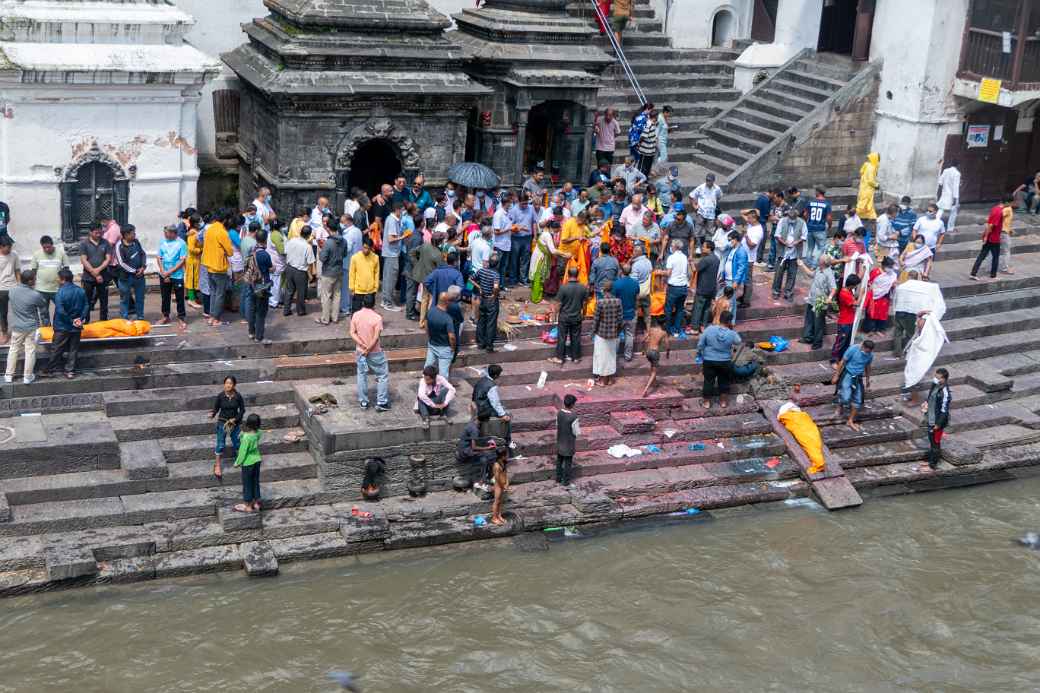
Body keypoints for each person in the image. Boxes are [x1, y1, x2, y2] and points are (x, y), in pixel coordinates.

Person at [42, 268, 88, 380]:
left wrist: (71, 321)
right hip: (76, 326)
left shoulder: (60, 293)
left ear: (62, 279)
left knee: (56, 348)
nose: (57, 280)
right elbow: (86, 305)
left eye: (58, 278)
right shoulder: (80, 290)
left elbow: (61, 311)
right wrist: (80, 319)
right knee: (73, 349)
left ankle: (49, 369)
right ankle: (70, 371)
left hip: (62, 326)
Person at [4, 270, 48, 384]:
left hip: (17, 327)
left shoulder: (12, 291)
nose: (35, 280)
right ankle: (27, 377)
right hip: (31, 327)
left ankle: (9, 375)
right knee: (30, 351)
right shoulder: (35, 294)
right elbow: (43, 306)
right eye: (34, 278)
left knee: (13, 349)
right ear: (29, 281)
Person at [350, 293, 390, 412]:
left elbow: (352, 332)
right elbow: (376, 337)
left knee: (362, 375)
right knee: (382, 375)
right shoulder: (377, 318)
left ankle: (363, 401)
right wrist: (368, 348)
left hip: (360, 351)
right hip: (375, 352)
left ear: (363, 303)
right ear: (374, 304)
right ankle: (381, 402)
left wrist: (362, 346)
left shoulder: (356, 315)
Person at [697, 310, 741, 410]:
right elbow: (738, 341)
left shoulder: (709, 329)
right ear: (730, 321)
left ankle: (707, 402)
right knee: (724, 381)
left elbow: (700, 344)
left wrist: (699, 353)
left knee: (708, 381)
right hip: (725, 361)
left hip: (709, 360)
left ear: (719, 318)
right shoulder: (732, 333)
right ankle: (723, 402)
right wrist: (731, 329)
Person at [832, 339, 874, 431]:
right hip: (848, 374)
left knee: (858, 400)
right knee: (846, 397)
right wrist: (836, 375)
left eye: (868, 352)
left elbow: (868, 367)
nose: (866, 353)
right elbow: (843, 361)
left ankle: (850, 421)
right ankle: (840, 405)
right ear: (862, 346)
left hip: (858, 377)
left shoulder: (870, 355)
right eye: (865, 351)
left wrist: (867, 380)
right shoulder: (853, 349)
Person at [472, 364, 513, 455]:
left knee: (503, 410)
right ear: (495, 375)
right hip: (485, 409)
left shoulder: (481, 380)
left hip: (478, 404)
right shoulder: (492, 386)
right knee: (508, 415)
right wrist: (503, 415)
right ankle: (508, 441)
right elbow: (495, 403)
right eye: (499, 374)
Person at [210, 375, 245, 479]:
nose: (228, 385)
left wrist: (235, 419)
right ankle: (217, 465)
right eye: (226, 383)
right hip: (223, 422)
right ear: (224, 384)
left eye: (230, 383)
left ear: (234, 385)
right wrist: (212, 414)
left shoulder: (238, 396)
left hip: (235, 423)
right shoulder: (220, 396)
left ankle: (239, 460)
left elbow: (242, 410)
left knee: (237, 442)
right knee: (220, 444)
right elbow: (216, 409)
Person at [799, 254, 836, 350]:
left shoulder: (829, 273)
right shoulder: (819, 269)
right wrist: (802, 265)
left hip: (820, 302)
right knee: (809, 319)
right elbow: (810, 274)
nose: (818, 260)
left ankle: (817, 342)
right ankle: (808, 337)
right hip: (812, 299)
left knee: (818, 323)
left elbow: (833, 288)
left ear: (823, 262)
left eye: (819, 259)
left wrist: (830, 298)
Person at [201, 214, 234, 325]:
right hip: (219, 267)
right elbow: (230, 252)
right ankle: (215, 319)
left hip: (209, 265)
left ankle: (211, 317)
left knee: (214, 293)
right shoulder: (222, 232)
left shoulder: (209, 229)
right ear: (225, 220)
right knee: (220, 294)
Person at [551, 266, 587, 365]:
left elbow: (558, 304)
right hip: (576, 317)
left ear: (569, 275)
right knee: (575, 337)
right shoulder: (583, 288)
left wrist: (554, 315)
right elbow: (584, 303)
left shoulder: (563, 287)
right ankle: (575, 358)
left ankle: (559, 358)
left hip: (564, 317)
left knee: (562, 337)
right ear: (577, 275)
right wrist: (583, 314)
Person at [592, 279, 622, 386]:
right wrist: (618, 331)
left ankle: (603, 381)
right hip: (613, 334)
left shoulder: (600, 302)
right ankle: (609, 380)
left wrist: (592, 332)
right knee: (611, 356)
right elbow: (620, 319)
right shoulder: (618, 301)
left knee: (602, 357)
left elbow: (596, 320)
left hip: (602, 334)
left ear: (603, 289)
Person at [79, 221, 111, 323]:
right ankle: (86, 321)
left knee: (104, 300)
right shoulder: (84, 244)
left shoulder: (105, 243)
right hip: (88, 277)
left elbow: (108, 259)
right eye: (96, 233)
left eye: (100, 232)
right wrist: (94, 272)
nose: (98, 235)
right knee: (87, 301)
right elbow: (84, 260)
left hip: (103, 276)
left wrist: (98, 270)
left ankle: (103, 321)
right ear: (90, 232)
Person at [157, 224, 188, 326]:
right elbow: (159, 257)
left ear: (173, 233)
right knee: (165, 296)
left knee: (179, 297)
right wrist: (163, 272)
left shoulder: (181, 243)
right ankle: (165, 316)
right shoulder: (162, 242)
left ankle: (181, 317)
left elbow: (182, 261)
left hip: (177, 275)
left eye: (166, 233)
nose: (165, 235)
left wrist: (169, 272)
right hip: (164, 274)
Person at [245, 229, 273, 342]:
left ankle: (251, 332)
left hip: (252, 283)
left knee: (252, 309)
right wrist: (273, 268)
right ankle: (259, 336)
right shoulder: (265, 255)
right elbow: (270, 268)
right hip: (262, 286)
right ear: (266, 240)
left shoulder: (252, 251)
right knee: (261, 311)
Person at [771, 206, 805, 302]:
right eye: (790, 219)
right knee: (778, 273)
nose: (792, 221)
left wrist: (796, 242)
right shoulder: (782, 221)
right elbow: (777, 235)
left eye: (794, 219)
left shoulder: (802, 223)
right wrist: (785, 242)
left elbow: (804, 237)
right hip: (783, 252)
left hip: (794, 253)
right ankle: (776, 291)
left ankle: (788, 292)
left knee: (792, 274)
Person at [970, 197, 1007, 281]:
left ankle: (973, 273)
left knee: (982, 256)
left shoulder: (995, 208)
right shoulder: (999, 212)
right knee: (995, 257)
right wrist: (986, 236)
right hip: (993, 238)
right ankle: (993, 275)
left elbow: (989, 222)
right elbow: (991, 225)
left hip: (990, 237)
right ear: (1008, 203)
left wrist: (985, 235)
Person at [114, 225, 147, 321]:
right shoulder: (119, 246)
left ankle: (140, 316)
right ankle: (124, 318)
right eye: (133, 233)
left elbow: (142, 254)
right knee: (125, 299)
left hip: (139, 276)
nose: (135, 235)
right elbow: (121, 263)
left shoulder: (136, 242)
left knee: (140, 297)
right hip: (125, 277)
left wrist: (143, 267)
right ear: (126, 235)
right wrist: (135, 271)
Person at [233, 413, 263, 513]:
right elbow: (256, 432)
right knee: (255, 481)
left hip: (248, 463)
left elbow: (243, 452)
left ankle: (248, 506)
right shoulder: (258, 433)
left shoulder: (246, 438)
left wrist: (237, 462)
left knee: (247, 484)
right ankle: (256, 503)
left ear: (248, 424)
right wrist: (243, 434)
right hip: (257, 460)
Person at [922, 368, 951, 470]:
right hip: (930, 417)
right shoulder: (935, 385)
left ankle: (933, 465)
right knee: (931, 440)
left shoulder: (945, 393)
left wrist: (938, 424)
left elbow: (944, 411)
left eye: (938, 378)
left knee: (936, 442)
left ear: (944, 379)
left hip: (938, 422)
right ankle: (931, 460)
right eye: (935, 377)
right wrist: (926, 403)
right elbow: (930, 395)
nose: (935, 379)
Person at [317, 222, 345, 325]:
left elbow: (322, 258)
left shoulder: (328, 242)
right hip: (339, 271)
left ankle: (325, 318)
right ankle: (335, 317)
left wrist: (320, 250)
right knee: (337, 295)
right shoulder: (344, 241)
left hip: (328, 272)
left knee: (326, 296)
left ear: (329, 229)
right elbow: (345, 254)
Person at [284, 226, 315, 317]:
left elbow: (286, 252)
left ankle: (286, 310)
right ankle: (300, 311)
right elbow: (310, 262)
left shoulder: (291, 241)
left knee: (289, 290)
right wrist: (310, 275)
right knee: (301, 292)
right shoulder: (307, 246)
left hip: (289, 268)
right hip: (300, 271)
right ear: (309, 235)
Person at [31, 235, 67, 312]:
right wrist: (32, 285)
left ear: (52, 244)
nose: (47, 249)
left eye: (48, 247)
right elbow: (33, 271)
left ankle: (59, 324)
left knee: (62, 310)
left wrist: (65, 283)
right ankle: (46, 324)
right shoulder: (36, 254)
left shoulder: (61, 253)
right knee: (44, 313)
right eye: (44, 248)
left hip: (57, 289)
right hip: (41, 289)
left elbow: (66, 269)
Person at [425, 291, 456, 379]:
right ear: (447, 302)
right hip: (444, 348)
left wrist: (430, 337)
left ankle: (425, 387)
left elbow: (426, 326)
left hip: (432, 344)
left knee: (428, 368)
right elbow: (452, 337)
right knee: (443, 375)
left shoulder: (430, 311)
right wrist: (453, 348)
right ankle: (441, 392)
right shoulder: (448, 318)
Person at [612, 262, 640, 362]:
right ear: (630, 272)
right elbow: (637, 299)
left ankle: (614, 356)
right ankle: (628, 356)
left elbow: (613, 299)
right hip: (631, 313)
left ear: (621, 271)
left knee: (616, 335)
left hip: (619, 314)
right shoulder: (635, 283)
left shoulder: (616, 284)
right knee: (630, 335)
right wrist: (636, 310)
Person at [473, 253, 501, 352]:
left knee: (481, 321)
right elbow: (496, 287)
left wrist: (479, 287)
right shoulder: (496, 274)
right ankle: (489, 346)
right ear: (497, 264)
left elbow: (470, 279)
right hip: (491, 300)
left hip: (483, 299)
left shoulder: (481, 271)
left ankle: (481, 343)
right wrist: (494, 295)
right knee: (491, 323)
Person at [690, 240, 719, 333]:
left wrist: (690, 261)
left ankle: (694, 328)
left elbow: (695, 269)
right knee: (706, 308)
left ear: (709, 248)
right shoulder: (716, 258)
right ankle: (703, 326)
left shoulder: (706, 259)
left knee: (698, 308)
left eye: (704, 247)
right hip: (712, 288)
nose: (702, 248)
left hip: (703, 287)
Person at [830, 274, 860, 365]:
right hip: (844, 322)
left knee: (846, 343)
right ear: (852, 285)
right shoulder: (844, 293)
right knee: (840, 343)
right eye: (856, 285)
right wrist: (862, 293)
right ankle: (833, 360)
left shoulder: (849, 291)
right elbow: (856, 303)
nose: (856, 287)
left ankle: (841, 359)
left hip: (850, 321)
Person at [863, 256, 896, 335]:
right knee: (872, 312)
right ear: (884, 266)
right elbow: (869, 282)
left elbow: (893, 282)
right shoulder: (875, 272)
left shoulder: (892, 274)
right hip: (874, 295)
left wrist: (893, 285)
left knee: (882, 313)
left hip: (885, 296)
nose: (891, 268)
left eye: (891, 267)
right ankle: (870, 329)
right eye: (889, 267)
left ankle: (879, 329)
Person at [689, 173, 723, 251]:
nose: (708, 182)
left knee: (710, 231)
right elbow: (691, 196)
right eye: (707, 180)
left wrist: (713, 203)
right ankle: (698, 246)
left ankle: (708, 247)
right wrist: (695, 206)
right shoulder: (701, 187)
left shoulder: (717, 189)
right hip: (701, 212)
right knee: (698, 230)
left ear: (713, 181)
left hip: (711, 214)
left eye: (709, 180)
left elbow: (719, 197)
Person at [719, 231, 748, 320]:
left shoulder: (741, 251)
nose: (729, 242)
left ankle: (730, 322)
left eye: (730, 240)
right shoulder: (732, 249)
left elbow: (741, 268)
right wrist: (723, 276)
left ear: (735, 240)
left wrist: (736, 281)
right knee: (728, 302)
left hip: (733, 280)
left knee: (731, 303)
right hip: (728, 279)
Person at [663, 239, 688, 337]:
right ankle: (677, 330)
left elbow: (668, 273)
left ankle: (668, 330)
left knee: (668, 309)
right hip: (683, 287)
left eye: (671, 245)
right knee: (680, 309)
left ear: (674, 247)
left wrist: (660, 272)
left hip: (674, 287)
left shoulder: (671, 257)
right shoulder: (684, 257)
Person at [349, 236, 380, 315]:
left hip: (370, 290)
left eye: (368, 248)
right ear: (362, 246)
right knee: (356, 312)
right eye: (364, 247)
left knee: (369, 313)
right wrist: (352, 288)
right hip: (358, 290)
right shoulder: (355, 257)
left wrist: (376, 287)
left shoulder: (375, 258)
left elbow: (376, 273)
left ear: (371, 248)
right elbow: (352, 273)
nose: (366, 250)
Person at [641, 316, 671, 398]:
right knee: (654, 372)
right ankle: (646, 389)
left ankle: (655, 383)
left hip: (648, 351)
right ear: (664, 323)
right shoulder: (663, 333)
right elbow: (667, 346)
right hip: (655, 352)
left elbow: (643, 340)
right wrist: (668, 353)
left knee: (652, 366)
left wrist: (643, 350)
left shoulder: (651, 329)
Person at [739, 209, 763, 307]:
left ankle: (746, 301)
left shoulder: (758, 230)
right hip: (743, 256)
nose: (747, 220)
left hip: (749, 258)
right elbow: (741, 213)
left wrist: (746, 236)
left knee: (748, 280)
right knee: (744, 279)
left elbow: (752, 245)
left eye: (749, 218)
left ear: (754, 219)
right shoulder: (751, 224)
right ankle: (744, 296)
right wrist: (753, 210)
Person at [555, 394, 580, 486]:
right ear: (572, 404)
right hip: (569, 444)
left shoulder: (559, 413)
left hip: (560, 441)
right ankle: (565, 481)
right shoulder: (574, 417)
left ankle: (558, 478)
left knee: (559, 460)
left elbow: (557, 425)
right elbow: (576, 432)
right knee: (568, 463)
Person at [804, 186, 832, 266]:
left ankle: (809, 263)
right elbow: (829, 218)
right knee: (821, 248)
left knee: (810, 248)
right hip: (820, 228)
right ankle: (815, 264)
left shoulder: (810, 202)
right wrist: (829, 226)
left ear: (818, 192)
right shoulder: (827, 204)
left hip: (810, 227)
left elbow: (805, 214)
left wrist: (807, 222)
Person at [911, 202, 945, 268]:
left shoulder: (940, 222)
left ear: (935, 212)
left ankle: (925, 276)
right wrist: (915, 240)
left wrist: (939, 244)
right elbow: (914, 230)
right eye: (927, 210)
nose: (928, 212)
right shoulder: (921, 219)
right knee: (916, 264)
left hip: (931, 248)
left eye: (930, 211)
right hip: (919, 247)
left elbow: (942, 233)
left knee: (928, 265)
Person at [856, 152, 880, 232]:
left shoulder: (866, 165)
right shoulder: (872, 167)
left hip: (863, 189)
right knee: (866, 206)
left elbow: (861, 173)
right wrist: (876, 185)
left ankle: (864, 220)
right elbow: (870, 180)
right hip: (867, 190)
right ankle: (867, 224)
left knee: (864, 205)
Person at [0, 236, 18, 345]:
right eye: (8, 247)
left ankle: (19, 332)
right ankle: (4, 332)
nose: (10, 249)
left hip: (14, 287)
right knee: (3, 313)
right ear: (1, 247)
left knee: (18, 311)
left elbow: (17, 270)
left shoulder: (14, 255)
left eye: (11, 247)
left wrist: (20, 285)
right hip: (1, 289)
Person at [936, 160, 961, 232]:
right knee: (953, 211)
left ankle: (935, 224)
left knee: (941, 209)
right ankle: (950, 228)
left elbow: (940, 182)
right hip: (952, 195)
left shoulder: (945, 170)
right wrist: (955, 198)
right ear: (958, 165)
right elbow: (955, 187)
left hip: (944, 193)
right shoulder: (957, 174)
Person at [490, 448, 510, 526]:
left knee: (500, 501)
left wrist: (507, 483)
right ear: (502, 456)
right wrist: (503, 486)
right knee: (496, 501)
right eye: (506, 455)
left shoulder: (503, 462)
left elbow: (505, 474)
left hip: (503, 484)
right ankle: (494, 518)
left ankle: (499, 515)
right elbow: (497, 478)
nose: (507, 456)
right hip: (498, 485)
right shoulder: (496, 465)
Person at [635, 111, 659, 177]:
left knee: (648, 166)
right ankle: (639, 179)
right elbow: (643, 136)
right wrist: (639, 144)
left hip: (651, 150)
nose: (657, 118)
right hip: (645, 150)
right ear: (654, 117)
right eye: (656, 117)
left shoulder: (652, 123)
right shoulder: (648, 124)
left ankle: (645, 179)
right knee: (642, 166)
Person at [998, 192, 1015, 275]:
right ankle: (1005, 268)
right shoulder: (1007, 209)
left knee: (994, 250)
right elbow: (998, 217)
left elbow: (1006, 221)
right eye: (1011, 202)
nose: (1012, 203)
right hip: (1003, 233)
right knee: (1006, 251)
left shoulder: (1007, 208)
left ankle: (989, 267)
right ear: (1008, 202)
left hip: (1002, 231)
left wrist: (1010, 229)